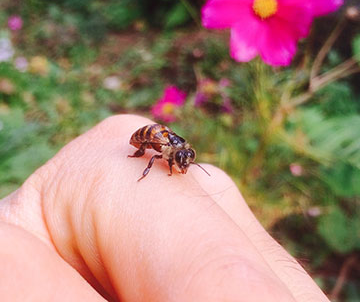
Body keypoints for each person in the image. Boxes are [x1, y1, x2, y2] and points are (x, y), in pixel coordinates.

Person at [0, 115, 329, 301]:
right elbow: (155, 148)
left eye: (186, 163)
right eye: (183, 162)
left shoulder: (179, 152)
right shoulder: (162, 149)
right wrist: (139, 160)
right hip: (145, 136)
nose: (183, 166)